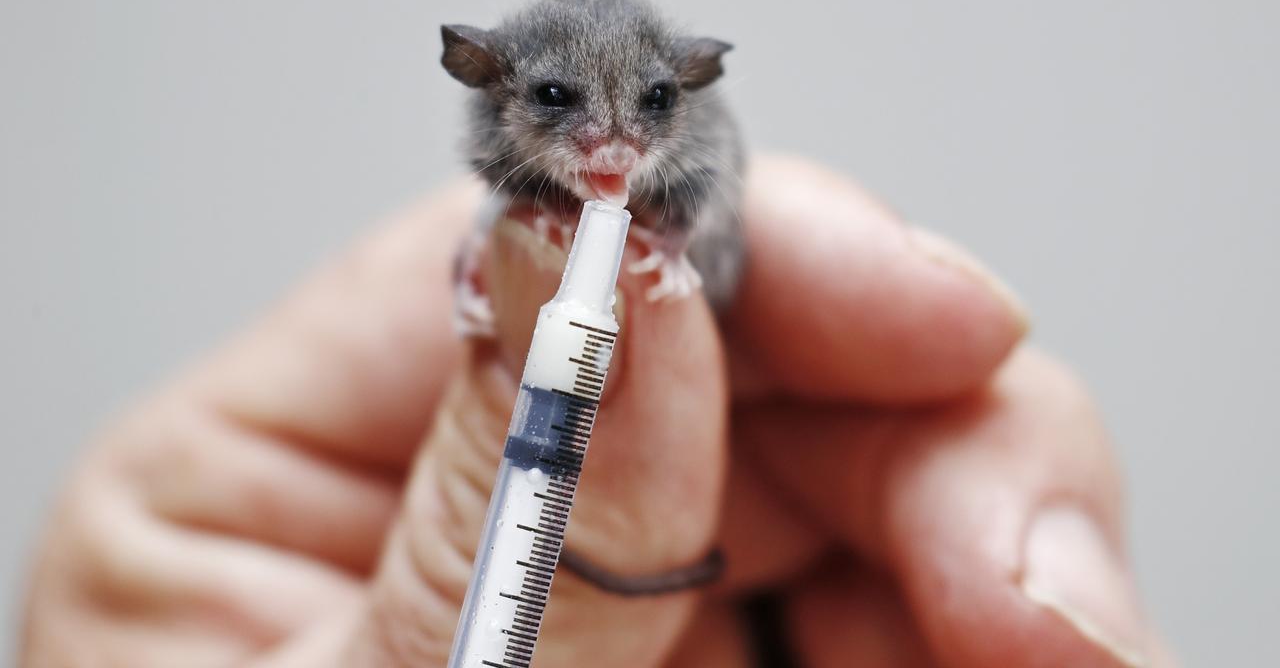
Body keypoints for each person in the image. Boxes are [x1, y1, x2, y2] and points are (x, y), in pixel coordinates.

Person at [19, 156, 1173, 667]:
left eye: (645, 113)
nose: (608, 151)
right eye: (568, 111)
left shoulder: (684, 199)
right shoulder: (514, 247)